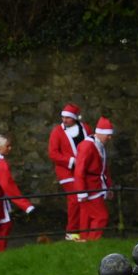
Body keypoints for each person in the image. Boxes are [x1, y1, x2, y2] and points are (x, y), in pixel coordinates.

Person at [47, 103, 93, 241]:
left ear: (75, 118)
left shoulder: (85, 128)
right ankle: (71, 231)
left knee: (86, 199)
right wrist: (72, 161)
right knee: (75, 199)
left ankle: (85, 230)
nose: (64, 120)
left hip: (84, 170)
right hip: (66, 171)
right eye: (63, 117)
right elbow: (53, 153)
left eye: (68, 117)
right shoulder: (57, 131)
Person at [73, 117, 114, 241]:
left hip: (94, 186)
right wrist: (82, 192)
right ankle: (93, 240)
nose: (110, 138)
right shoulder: (87, 146)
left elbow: (103, 168)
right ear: (100, 133)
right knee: (101, 216)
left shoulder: (98, 145)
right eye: (108, 135)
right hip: (90, 188)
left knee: (86, 217)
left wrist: (108, 187)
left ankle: (85, 241)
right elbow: (79, 171)